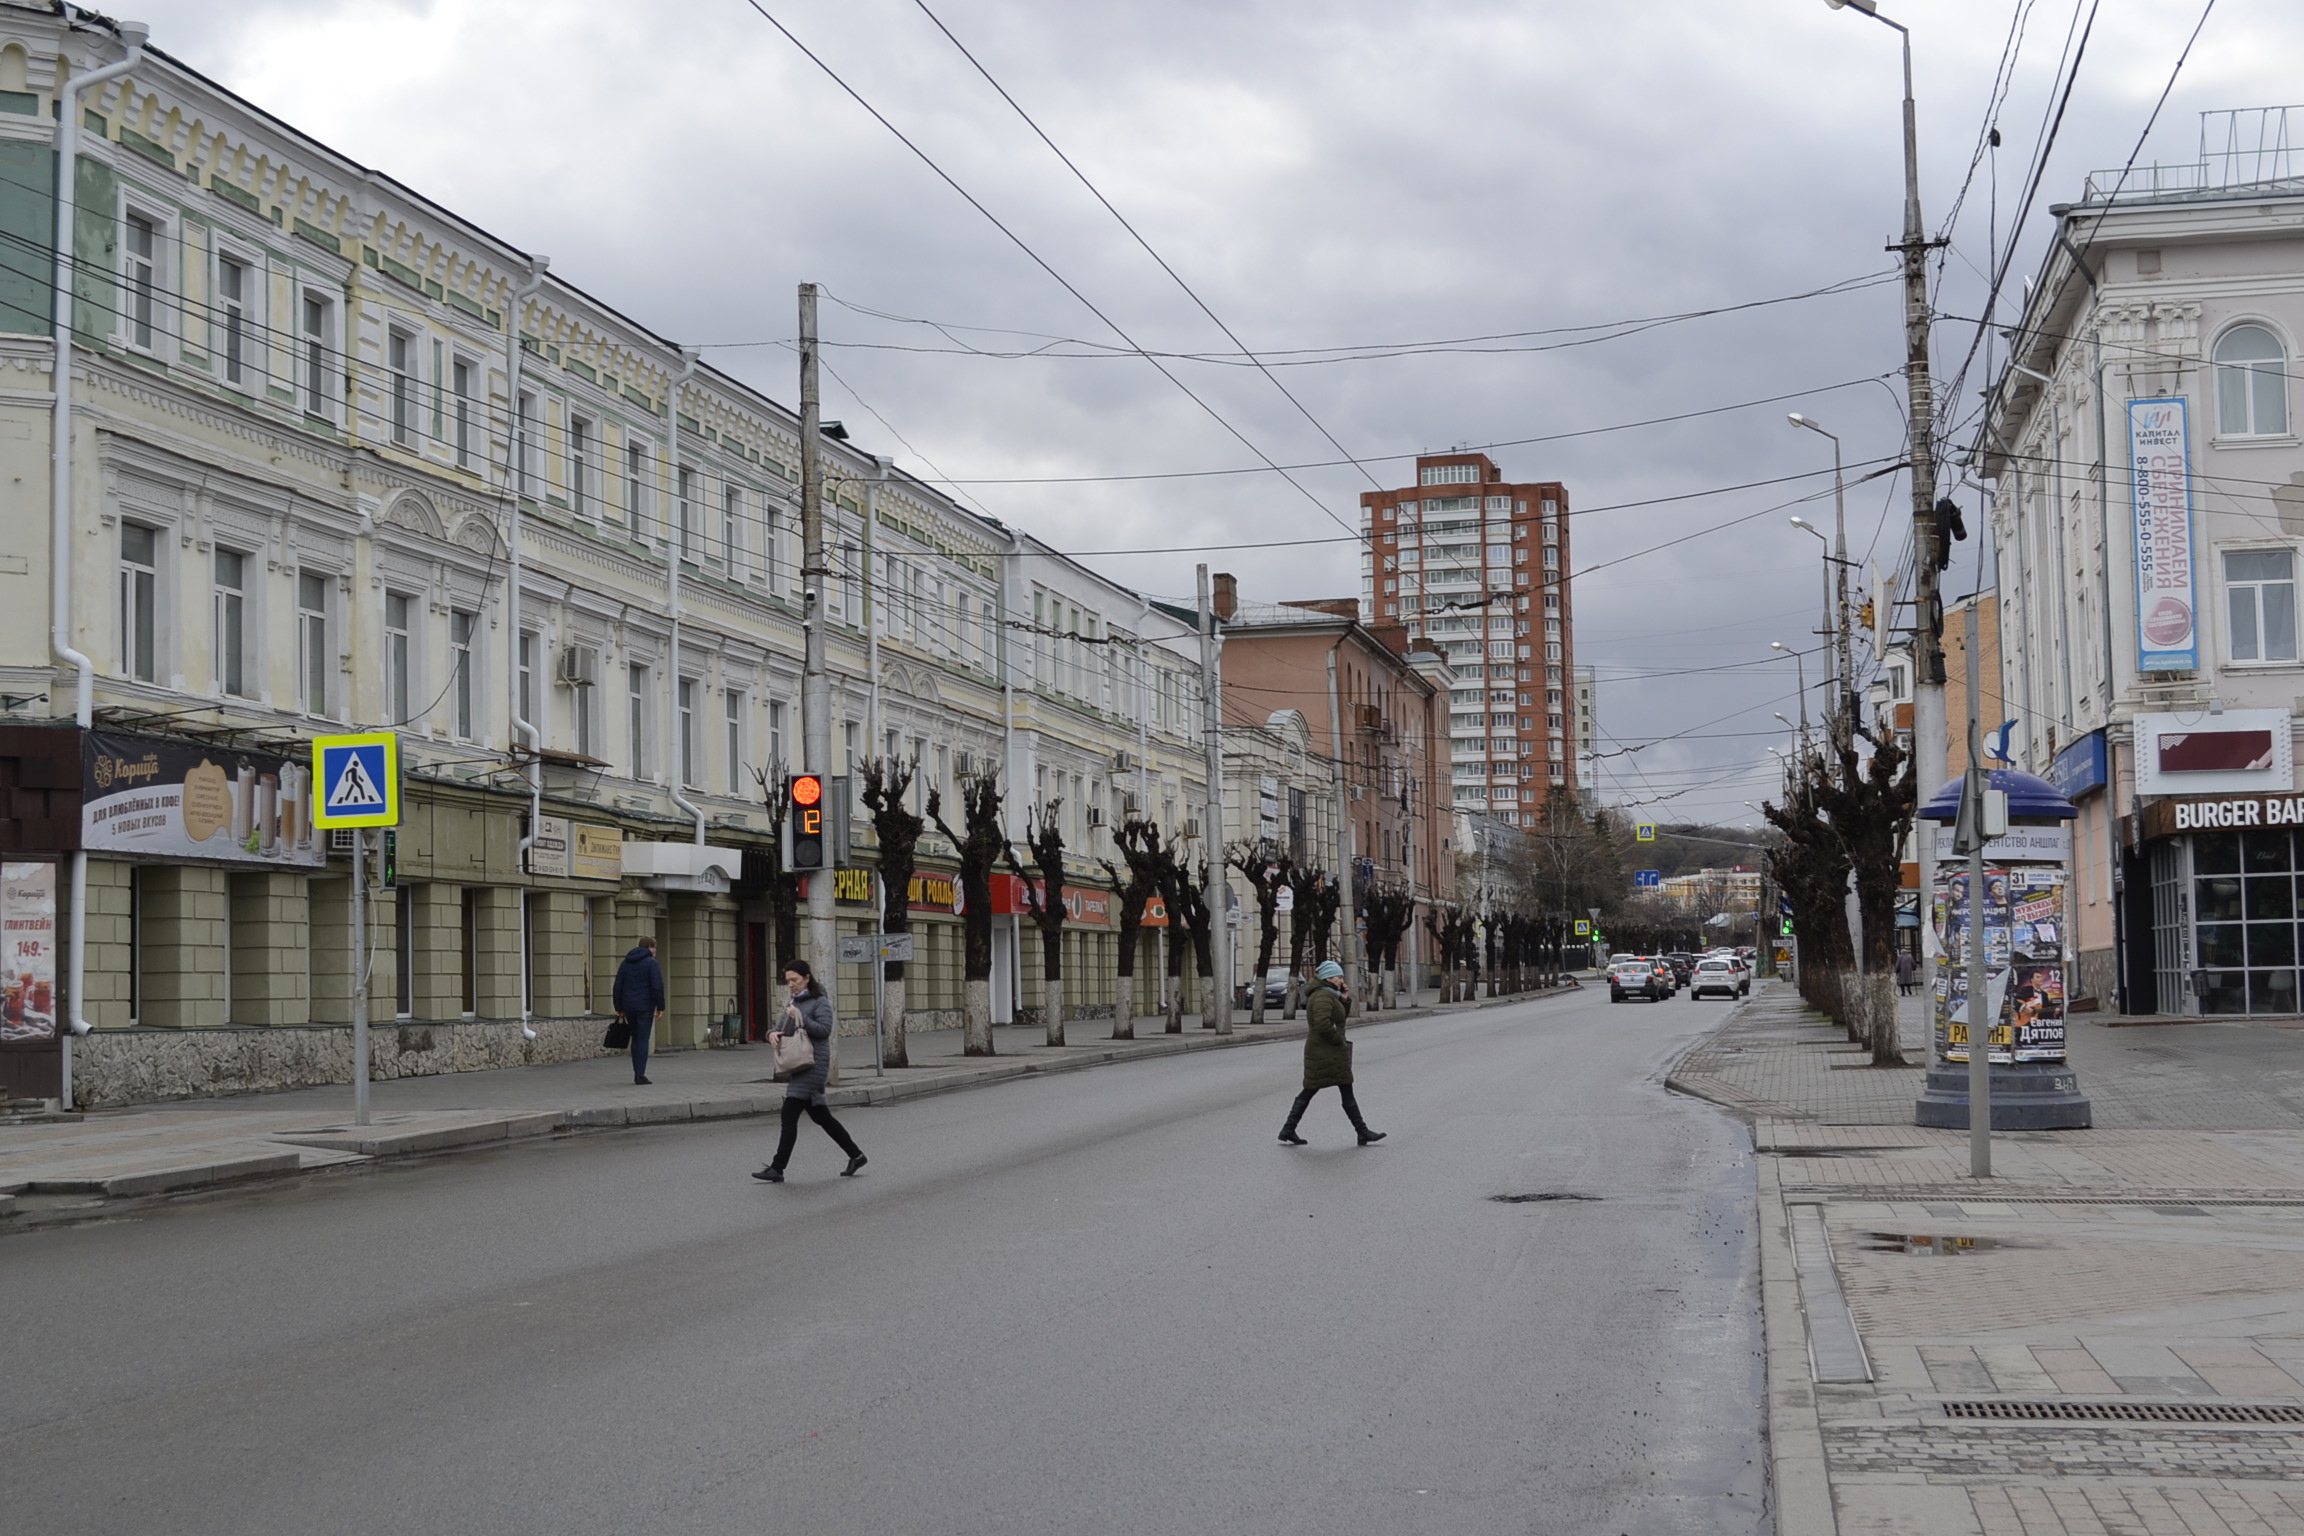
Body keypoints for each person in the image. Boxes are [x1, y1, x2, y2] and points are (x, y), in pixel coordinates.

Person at [754, 959, 867, 1183]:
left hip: (814, 1065)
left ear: (807, 978)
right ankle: (856, 1155)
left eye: (794, 980)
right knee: (822, 1117)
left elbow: (824, 1030)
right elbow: (779, 1029)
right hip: (799, 1065)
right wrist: (771, 1035)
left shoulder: (819, 1002)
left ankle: (777, 1168)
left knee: (789, 1113)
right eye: (788, 981)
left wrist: (801, 1018)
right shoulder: (793, 1002)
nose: (791, 985)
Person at [1278, 960, 1384, 1147]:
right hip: (1324, 1051)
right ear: (1327, 977)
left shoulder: (1329, 994)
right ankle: (1361, 1131)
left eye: (1341, 976)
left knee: (1336, 1089)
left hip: (1328, 1051)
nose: (1341, 979)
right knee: (1313, 1089)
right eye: (1337, 976)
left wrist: (1344, 999)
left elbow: (1338, 1017)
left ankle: (1361, 1131)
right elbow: (1322, 1023)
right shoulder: (1322, 996)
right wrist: (1338, 1041)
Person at [611, 936, 666, 1085]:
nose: (655, 950)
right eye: (654, 947)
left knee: (635, 1038)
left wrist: (619, 1007)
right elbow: (657, 986)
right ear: (649, 947)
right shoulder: (652, 964)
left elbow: (618, 986)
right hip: (645, 1007)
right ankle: (639, 1074)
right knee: (642, 1039)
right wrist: (661, 1007)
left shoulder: (625, 963)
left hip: (629, 1006)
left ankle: (637, 1071)